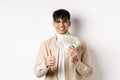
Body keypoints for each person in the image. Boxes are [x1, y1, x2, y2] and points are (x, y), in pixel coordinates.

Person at [34, 9, 93, 80]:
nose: (61, 25)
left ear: (69, 23)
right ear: (53, 23)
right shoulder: (46, 44)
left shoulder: (81, 44)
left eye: (64, 21)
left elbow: (89, 73)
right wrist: (46, 64)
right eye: (58, 21)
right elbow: (37, 73)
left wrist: (77, 62)